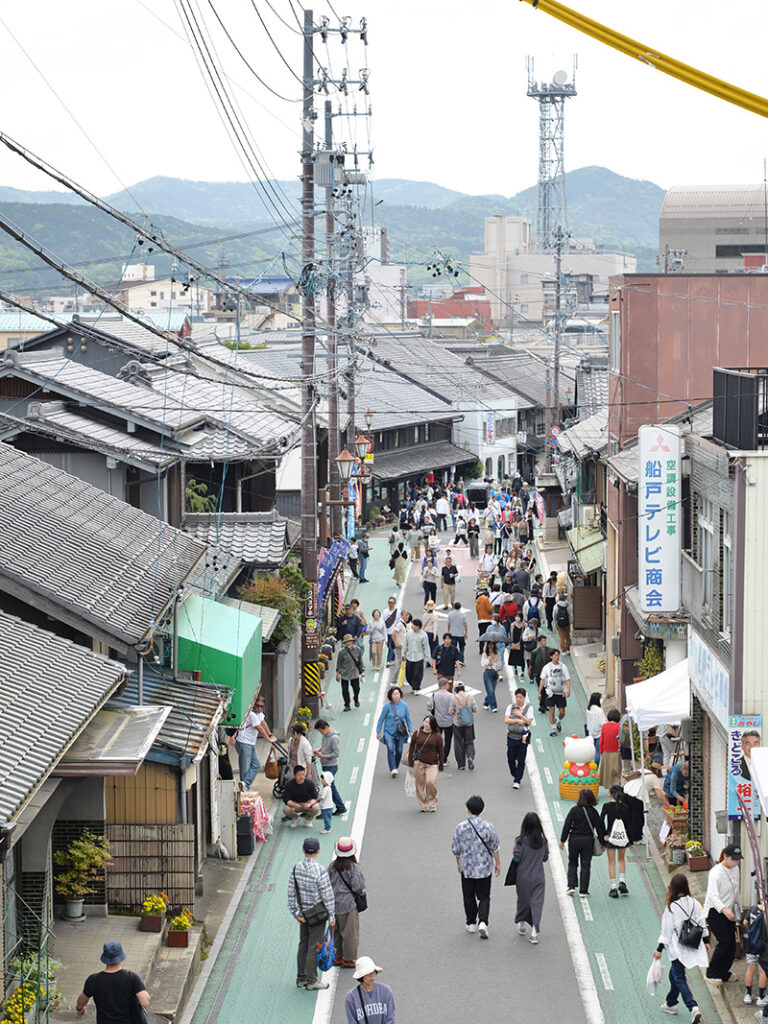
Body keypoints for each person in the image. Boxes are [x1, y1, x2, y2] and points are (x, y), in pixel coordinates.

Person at [654, 873, 707, 1022]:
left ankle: (692, 1006)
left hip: (678, 947)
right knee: (674, 975)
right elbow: (701, 922)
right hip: (692, 943)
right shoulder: (695, 903)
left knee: (679, 977)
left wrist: (659, 949)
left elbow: (666, 930)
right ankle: (671, 1003)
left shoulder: (671, 907)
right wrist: (707, 941)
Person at [288, 835, 336, 991]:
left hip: (302, 914)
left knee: (303, 944)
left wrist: (296, 913)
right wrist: (331, 916)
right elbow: (327, 896)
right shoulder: (320, 870)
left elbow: (291, 895)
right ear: (318, 851)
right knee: (314, 946)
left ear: (303, 850)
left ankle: (301, 978)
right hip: (317, 915)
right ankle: (312, 980)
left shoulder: (296, 868)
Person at [451, 795, 501, 939]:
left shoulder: (460, 827)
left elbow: (456, 848)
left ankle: (471, 923)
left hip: (467, 868)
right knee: (484, 897)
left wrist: (458, 863)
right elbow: (495, 847)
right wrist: (497, 863)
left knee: (468, 895)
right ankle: (483, 922)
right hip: (484, 868)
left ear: (468, 810)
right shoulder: (488, 826)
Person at [76, 941, 150, 1022]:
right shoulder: (131, 978)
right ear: (121, 956)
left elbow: (82, 1000)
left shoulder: (93, 980)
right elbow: (145, 1001)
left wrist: (80, 1009)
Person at [704, 843, 743, 983]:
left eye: (738, 859)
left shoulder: (735, 868)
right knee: (724, 942)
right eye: (734, 859)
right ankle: (712, 973)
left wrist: (738, 908)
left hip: (730, 911)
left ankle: (723, 972)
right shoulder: (716, 873)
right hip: (715, 912)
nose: (736, 862)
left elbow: (736, 890)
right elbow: (713, 896)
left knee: (732, 945)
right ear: (725, 857)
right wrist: (725, 910)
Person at [510, 812, 549, 944]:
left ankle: (521, 924)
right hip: (538, 877)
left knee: (523, 901)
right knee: (536, 904)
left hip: (523, 877)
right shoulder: (543, 842)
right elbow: (545, 858)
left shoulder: (520, 841)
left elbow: (516, 857)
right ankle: (534, 932)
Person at [328, 837, 366, 969]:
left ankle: (337, 957)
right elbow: (358, 887)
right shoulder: (354, 868)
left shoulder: (332, 866)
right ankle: (349, 960)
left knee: (336, 932)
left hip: (333, 903)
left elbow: (327, 881)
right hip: (348, 905)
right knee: (350, 933)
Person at [559, 789, 604, 897]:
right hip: (588, 840)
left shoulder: (574, 810)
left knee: (573, 862)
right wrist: (602, 843)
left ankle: (571, 886)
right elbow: (600, 828)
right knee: (586, 865)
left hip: (574, 839)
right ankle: (583, 891)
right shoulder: (593, 812)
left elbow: (567, 825)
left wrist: (562, 840)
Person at [235, 695, 277, 791]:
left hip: (251, 743)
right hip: (244, 742)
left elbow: (263, 723)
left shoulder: (259, 714)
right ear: (254, 705)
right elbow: (259, 729)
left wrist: (270, 734)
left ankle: (245, 785)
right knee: (245, 769)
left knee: (256, 764)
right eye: (257, 706)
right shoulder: (252, 714)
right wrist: (268, 739)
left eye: (261, 706)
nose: (259, 708)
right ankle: (244, 789)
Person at [601, 784, 634, 897]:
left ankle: (613, 888)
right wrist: (631, 841)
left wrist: (604, 835)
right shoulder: (625, 807)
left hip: (610, 837)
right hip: (622, 837)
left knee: (611, 862)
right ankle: (622, 882)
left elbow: (601, 822)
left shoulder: (606, 806)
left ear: (610, 793)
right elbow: (629, 825)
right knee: (621, 859)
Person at [407, 714, 444, 812]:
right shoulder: (417, 733)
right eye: (425, 722)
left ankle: (432, 802)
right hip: (419, 763)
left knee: (430, 782)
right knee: (420, 784)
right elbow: (411, 747)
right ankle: (423, 803)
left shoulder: (437, 736)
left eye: (429, 723)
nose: (426, 724)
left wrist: (441, 764)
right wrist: (411, 761)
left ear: (433, 724)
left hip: (432, 764)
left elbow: (440, 750)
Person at [344, 957, 396, 1024]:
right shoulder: (351, 997)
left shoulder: (386, 991)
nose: (371, 975)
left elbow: (390, 1017)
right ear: (361, 976)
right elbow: (352, 1021)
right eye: (368, 973)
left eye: (373, 972)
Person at [376, 686, 413, 777]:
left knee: (399, 750)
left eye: (398, 694)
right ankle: (393, 768)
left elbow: (408, 719)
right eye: (394, 694)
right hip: (389, 732)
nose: (396, 696)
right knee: (391, 749)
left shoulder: (404, 705)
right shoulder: (387, 706)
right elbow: (381, 719)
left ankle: (395, 766)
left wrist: (411, 731)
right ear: (391, 696)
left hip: (400, 733)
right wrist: (378, 731)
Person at [313, 719, 347, 814]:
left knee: (329, 787)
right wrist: (319, 749)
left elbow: (336, 753)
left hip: (331, 765)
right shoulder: (325, 735)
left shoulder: (334, 738)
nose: (321, 733)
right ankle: (338, 807)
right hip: (325, 764)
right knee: (330, 787)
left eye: (321, 731)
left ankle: (337, 807)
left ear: (327, 727)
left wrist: (322, 755)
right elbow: (324, 746)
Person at [505, 687, 534, 788]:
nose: (518, 699)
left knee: (521, 759)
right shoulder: (511, 707)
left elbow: (529, 722)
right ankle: (515, 773)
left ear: (524, 697)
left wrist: (520, 715)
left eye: (520, 697)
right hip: (511, 736)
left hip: (523, 737)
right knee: (510, 758)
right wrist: (517, 721)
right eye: (517, 697)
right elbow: (506, 720)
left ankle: (517, 780)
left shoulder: (529, 708)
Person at [539, 649, 571, 737]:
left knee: (562, 712)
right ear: (551, 656)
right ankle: (553, 728)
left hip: (560, 692)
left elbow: (567, 679)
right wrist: (539, 692)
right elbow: (542, 679)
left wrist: (568, 690)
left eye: (558, 655)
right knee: (551, 710)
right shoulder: (547, 667)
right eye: (555, 655)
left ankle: (558, 720)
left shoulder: (563, 667)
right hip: (550, 692)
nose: (557, 657)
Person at [450, 682, 478, 771]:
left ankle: (461, 764)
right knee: (469, 741)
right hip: (469, 723)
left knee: (458, 743)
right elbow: (475, 709)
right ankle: (470, 757)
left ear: (456, 689)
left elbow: (450, 711)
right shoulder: (470, 697)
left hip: (458, 723)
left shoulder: (454, 698)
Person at [428, 676, 456, 759]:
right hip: (449, 721)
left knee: (436, 739)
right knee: (447, 740)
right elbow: (454, 708)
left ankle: (435, 754)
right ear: (446, 685)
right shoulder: (451, 696)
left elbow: (429, 707)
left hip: (437, 721)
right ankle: (444, 758)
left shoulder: (434, 695)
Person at [337, 633, 365, 712]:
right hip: (345, 673)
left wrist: (362, 670)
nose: (348, 643)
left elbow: (360, 661)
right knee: (345, 690)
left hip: (355, 672)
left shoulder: (357, 650)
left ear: (352, 641)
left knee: (357, 688)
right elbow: (339, 663)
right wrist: (338, 673)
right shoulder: (341, 652)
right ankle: (347, 704)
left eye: (349, 641)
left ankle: (356, 699)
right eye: (346, 642)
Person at [403, 617, 431, 693]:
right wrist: (403, 652)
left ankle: (416, 688)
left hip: (419, 657)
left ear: (418, 626)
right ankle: (412, 685)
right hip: (409, 656)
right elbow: (405, 643)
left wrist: (426, 657)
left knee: (417, 673)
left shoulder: (423, 635)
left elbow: (426, 647)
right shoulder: (409, 633)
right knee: (408, 673)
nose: (412, 626)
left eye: (413, 625)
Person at [598, 709, 622, 790]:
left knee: (607, 771)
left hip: (606, 751)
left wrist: (601, 750)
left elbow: (602, 740)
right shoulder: (619, 727)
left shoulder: (604, 726)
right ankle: (616, 787)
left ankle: (609, 787)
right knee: (616, 771)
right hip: (616, 751)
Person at [389, 609, 410, 685]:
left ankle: (402, 679)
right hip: (399, 647)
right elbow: (393, 633)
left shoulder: (404, 623)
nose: (407, 616)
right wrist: (396, 643)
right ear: (402, 615)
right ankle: (394, 681)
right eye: (406, 615)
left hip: (404, 647)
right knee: (399, 664)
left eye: (408, 615)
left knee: (404, 664)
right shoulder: (400, 624)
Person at [480, 641, 502, 713]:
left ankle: (486, 702)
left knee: (491, 690)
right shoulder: (485, 654)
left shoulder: (496, 653)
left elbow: (499, 663)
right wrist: (489, 659)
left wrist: (494, 663)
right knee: (490, 690)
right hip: (487, 673)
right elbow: (483, 664)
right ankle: (494, 706)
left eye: (492, 644)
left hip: (494, 673)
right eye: (489, 644)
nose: (490, 645)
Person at [585, 692, 606, 767]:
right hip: (599, 733)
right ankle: (595, 768)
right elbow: (602, 723)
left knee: (590, 751)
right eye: (601, 698)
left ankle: (588, 767)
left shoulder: (588, 709)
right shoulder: (600, 711)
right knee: (598, 752)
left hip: (591, 733)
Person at [507, 613, 525, 678]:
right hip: (515, 642)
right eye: (516, 616)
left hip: (522, 643)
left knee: (522, 657)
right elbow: (511, 634)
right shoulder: (513, 625)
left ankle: (522, 671)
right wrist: (512, 641)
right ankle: (515, 669)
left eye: (518, 616)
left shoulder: (524, 625)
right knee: (514, 656)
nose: (517, 617)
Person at [383, 597, 399, 667]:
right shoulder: (385, 611)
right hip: (387, 632)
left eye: (391, 602)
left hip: (394, 633)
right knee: (390, 646)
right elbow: (382, 621)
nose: (390, 604)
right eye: (389, 602)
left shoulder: (398, 612)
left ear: (394, 603)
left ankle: (388, 660)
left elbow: (400, 621)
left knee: (390, 646)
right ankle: (392, 658)